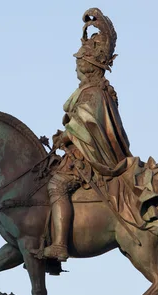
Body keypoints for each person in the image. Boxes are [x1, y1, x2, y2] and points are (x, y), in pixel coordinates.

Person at [36, 8, 133, 262]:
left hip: (90, 157)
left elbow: (86, 125)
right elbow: (81, 123)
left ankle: (58, 245)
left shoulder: (93, 93)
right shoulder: (93, 91)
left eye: (79, 64)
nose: (76, 69)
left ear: (89, 67)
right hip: (80, 151)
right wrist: (65, 135)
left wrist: (67, 136)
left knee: (57, 185)